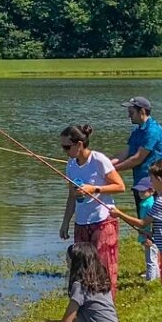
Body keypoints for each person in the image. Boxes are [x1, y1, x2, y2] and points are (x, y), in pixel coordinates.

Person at [109, 159, 162, 322]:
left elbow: (142, 222)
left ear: (160, 180)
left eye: (152, 179)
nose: (150, 182)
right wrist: (154, 235)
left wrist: (119, 213)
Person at [35, 242, 125, 322]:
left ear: (76, 263)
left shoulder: (80, 286)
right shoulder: (101, 281)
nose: (66, 262)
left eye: (68, 260)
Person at [59, 124, 124, 293]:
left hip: (103, 221)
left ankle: (108, 309)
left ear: (79, 144)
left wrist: (94, 189)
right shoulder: (71, 165)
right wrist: (65, 222)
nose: (65, 151)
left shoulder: (99, 160)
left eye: (67, 147)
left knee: (104, 268)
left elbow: (120, 186)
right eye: (62, 147)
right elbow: (71, 196)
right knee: (81, 271)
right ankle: (85, 308)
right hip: (81, 222)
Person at [111, 97, 162, 279]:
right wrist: (104, 164)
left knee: (150, 226)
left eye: (131, 111)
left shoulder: (152, 131)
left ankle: (154, 272)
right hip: (140, 184)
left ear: (142, 111)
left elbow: (138, 158)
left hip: (152, 186)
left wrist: (113, 170)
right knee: (146, 225)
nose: (128, 114)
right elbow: (125, 154)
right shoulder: (137, 131)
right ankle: (156, 269)